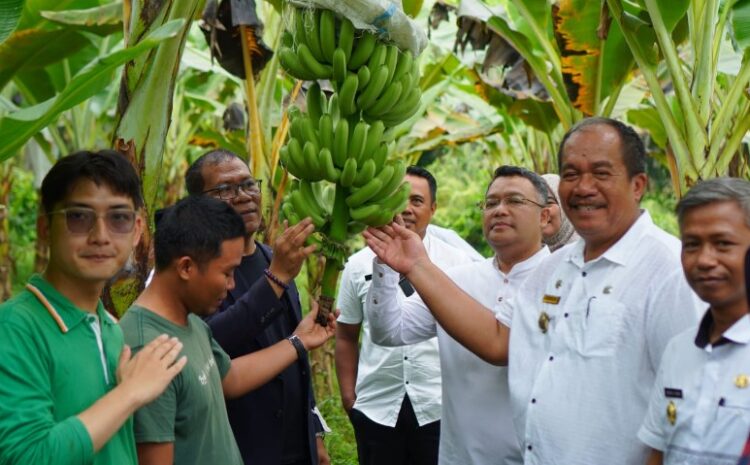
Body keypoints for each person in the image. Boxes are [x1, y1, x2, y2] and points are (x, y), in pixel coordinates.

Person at [363, 117, 703, 465]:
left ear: (638, 185)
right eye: (570, 174)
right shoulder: (556, 269)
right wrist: (416, 266)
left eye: (601, 173)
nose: (584, 187)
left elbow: (693, 398)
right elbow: (498, 342)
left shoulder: (669, 269)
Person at [0, 150, 186, 465]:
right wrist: (129, 394)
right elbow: (27, 456)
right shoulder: (15, 328)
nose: (100, 236)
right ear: (45, 227)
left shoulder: (110, 329)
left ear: (138, 229)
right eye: (78, 217)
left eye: (119, 218)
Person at [120, 195, 336, 465]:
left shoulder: (190, 322)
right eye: (227, 273)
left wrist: (299, 341)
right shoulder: (146, 347)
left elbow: (227, 378)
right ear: (186, 266)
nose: (233, 285)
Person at [366, 165, 551, 464]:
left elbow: (500, 345)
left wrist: (417, 266)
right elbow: (390, 331)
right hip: (459, 456)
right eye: (491, 203)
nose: (499, 210)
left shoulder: (563, 281)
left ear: (545, 216)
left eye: (515, 201)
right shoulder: (457, 279)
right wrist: (387, 267)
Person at [184, 149, 329, 465]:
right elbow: (207, 341)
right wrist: (275, 279)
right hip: (243, 446)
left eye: (249, 184)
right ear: (198, 205)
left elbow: (296, 344)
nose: (244, 196)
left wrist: (315, 430)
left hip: (295, 445)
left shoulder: (273, 257)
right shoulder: (193, 269)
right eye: (225, 189)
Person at [335, 166, 474, 465]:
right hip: (377, 408)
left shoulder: (459, 264)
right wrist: (350, 399)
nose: (407, 209)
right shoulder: (358, 265)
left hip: (439, 408)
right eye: (400, 200)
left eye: (417, 201)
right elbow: (346, 335)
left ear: (433, 208)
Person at [638, 178, 750, 465]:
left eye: (722, 243)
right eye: (691, 245)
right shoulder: (679, 349)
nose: (704, 260)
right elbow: (659, 452)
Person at [540, 173, 579, 251]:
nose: (541, 211)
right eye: (535, 204)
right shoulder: (524, 253)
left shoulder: (586, 251)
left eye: (548, 202)